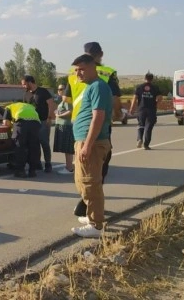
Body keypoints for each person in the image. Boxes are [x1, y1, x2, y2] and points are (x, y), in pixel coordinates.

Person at [64, 41, 121, 217]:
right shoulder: (107, 73)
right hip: (94, 128)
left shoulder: (72, 74)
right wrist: (117, 115)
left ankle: (91, 212)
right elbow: (116, 100)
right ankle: (91, 208)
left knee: (87, 173)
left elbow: (66, 98)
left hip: (81, 126)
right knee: (95, 172)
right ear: (100, 54)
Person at [70, 54, 113, 238]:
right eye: (76, 70)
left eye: (81, 69)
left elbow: (98, 117)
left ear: (92, 67)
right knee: (82, 182)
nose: (78, 73)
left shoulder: (98, 87)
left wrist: (87, 145)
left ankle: (96, 225)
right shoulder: (91, 87)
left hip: (92, 144)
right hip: (84, 142)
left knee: (90, 183)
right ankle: (91, 215)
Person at [21, 75, 55, 172]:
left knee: (44, 143)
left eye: (24, 84)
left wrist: (49, 118)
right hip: (32, 123)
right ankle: (37, 163)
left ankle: (48, 164)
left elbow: (51, 104)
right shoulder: (26, 94)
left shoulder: (43, 92)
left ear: (29, 82)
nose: (23, 86)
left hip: (43, 121)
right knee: (34, 144)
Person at [2, 102, 41, 178]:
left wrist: (13, 126)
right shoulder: (30, 106)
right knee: (33, 147)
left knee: (20, 147)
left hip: (22, 123)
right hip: (35, 124)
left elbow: (6, 123)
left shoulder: (9, 107)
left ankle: (20, 171)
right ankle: (32, 171)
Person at [129, 72, 163, 150]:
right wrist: (156, 102)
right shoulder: (155, 87)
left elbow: (134, 98)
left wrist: (131, 109)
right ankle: (146, 145)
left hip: (141, 109)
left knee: (141, 124)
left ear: (145, 78)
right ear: (152, 79)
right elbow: (160, 98)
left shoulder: (139, 87)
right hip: (151, 109)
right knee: (149, 127)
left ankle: (139, 138)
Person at [53, 85, 75, 174]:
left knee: (68, 148)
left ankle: (69, 168)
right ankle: (68, 166)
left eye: (61, 89)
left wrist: (59, 115)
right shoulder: (62, 100)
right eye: (58, 89)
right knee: (66, 148)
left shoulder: (67, 100)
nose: (59, 90)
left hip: (66, 126)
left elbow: (71, 111)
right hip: (62, 125)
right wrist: (56, 112)